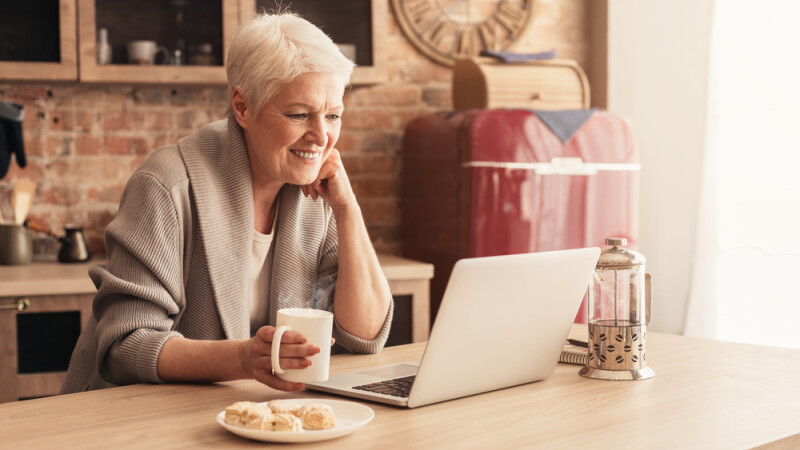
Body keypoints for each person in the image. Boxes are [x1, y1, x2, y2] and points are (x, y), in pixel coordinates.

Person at [60, 12, 393, 394]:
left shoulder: (318, 188)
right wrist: (243, 359)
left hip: (239, 413)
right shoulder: (166, 185)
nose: (321, 137)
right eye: (299, 114)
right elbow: (126, 346)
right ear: (243, 108)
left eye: (333, 115)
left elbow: (365, 336)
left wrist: (347, 210)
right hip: (128, 417)